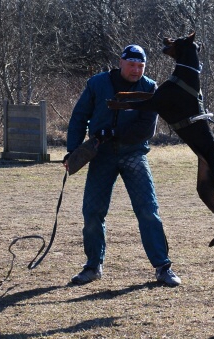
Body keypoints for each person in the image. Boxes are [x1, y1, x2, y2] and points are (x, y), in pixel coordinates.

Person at [63, 44, 181, 286]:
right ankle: (93, 266)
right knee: (92, 211)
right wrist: (73, 150)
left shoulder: (149, 87)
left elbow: (146, 129)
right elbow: (79, 116)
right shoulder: (97, 83)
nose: (136, 70)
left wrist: (114, 132)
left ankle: (163, 267)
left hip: (133, 153)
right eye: (132, 64)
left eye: (141, 65)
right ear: (121, 62)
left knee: (148, 210)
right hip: (101, 154)